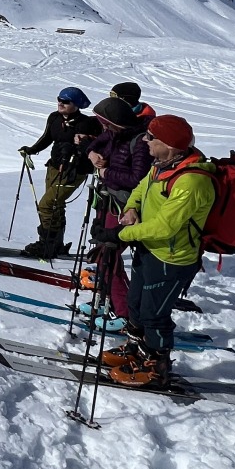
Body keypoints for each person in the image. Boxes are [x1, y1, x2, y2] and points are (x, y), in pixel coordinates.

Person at [95, 115, 216, 385]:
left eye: (152, 138)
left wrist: (119, 233)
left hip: (172, 258)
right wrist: (131, 208)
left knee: (154, 314)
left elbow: (165, 227)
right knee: (136, 306)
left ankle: (157, 365)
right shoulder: (162, 164)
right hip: (149, 249)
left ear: (170, 145)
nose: (146, 142)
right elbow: (141, 188)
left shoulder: (192, 182)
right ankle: (136, 351)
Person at [85, 96, 152, 319]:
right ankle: (111, 301)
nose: (102, 127)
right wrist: (92, 153)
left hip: (125, 208)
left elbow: (138, 179)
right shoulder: (116, 134)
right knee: (102, 251)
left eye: (104, 122)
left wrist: (106, 173)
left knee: (108, 255)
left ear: (114, 122)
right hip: (108, 201)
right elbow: (97, 143)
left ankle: (124, 312)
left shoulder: (140, 141)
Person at [18, 87, 100, 258]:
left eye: (66, 101)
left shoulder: (86, 123)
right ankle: (56, 244)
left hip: (74, 171)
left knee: (47, 205)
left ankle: (47, 243)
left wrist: (76, 151)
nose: (60, 103)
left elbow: (90, 147)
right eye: (59, 99)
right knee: (56, 205)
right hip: (54, 167)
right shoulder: (54, 117)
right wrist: (31, 150)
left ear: (76, 104)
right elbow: (47, 137)